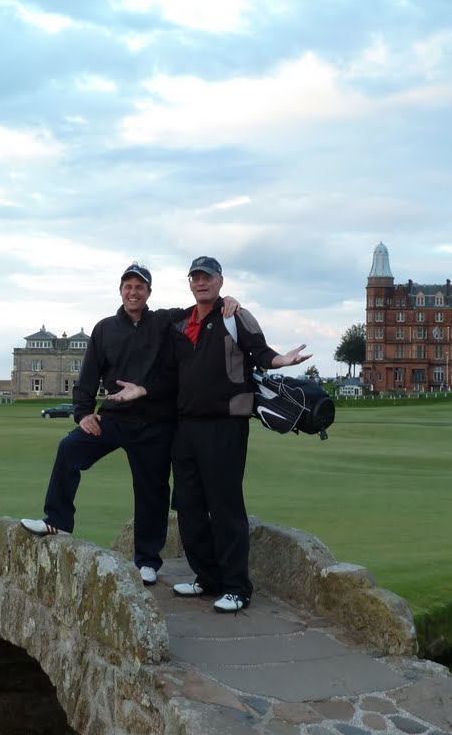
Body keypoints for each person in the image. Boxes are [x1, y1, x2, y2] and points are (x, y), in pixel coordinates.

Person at [20, 263, 239, 587]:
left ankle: (148, 560)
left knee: (151, 490)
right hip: (115, 417)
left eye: (140, 287)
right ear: (121, 291)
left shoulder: (164, 321)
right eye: (128, 286)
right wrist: (84, 414)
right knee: (70, 448)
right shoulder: (105, 328)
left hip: (155, 422)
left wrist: (227, 302)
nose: (133, 292)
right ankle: (58, 521)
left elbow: (201, 307)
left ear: (148, 292)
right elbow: (88, 377)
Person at [121, 256, 311, 613]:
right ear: (190, 283)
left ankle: (237, 587)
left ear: (220, 281)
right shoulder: (179, 322)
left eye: (207, 277)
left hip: (226, 425)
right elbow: (151, 333)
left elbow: (261, 352)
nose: (201, 282)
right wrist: (142, 389)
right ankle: (208, 578)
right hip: (186, 427)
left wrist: (281, 361)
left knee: (224, 507)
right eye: (195, 278)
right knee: (189, 508)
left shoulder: (234, 315)